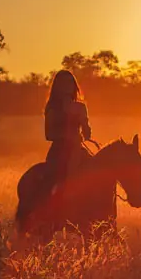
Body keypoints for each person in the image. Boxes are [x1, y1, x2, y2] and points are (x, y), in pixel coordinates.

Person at [43, 70, 92, 198]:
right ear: (58, 87)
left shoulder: (81, 107)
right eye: (63, 84)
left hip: (77, 149)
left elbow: (87, 131)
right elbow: (48, 134)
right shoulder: (52, 108)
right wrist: (68, 136)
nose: (67, 87)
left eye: (70, 83)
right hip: (59, 150)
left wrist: (86, 131)